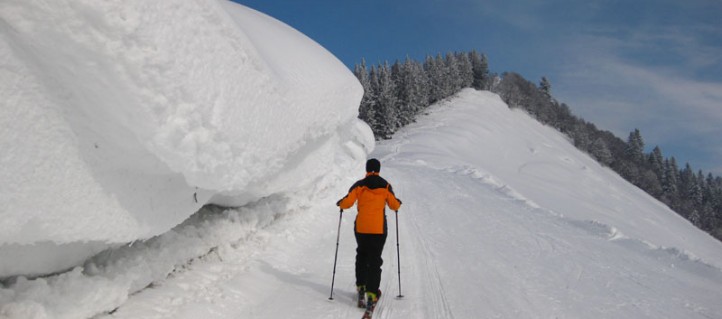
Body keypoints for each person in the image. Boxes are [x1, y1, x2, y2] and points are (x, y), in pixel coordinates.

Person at [336, 158, 402, 310]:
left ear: (367, 169)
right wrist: (398, 203)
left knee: (361, 255)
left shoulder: (359, 185)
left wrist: (340, 203)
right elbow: (394, 205)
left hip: (361, 228)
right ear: (378, 169)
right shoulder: (385, 185)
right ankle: (372, 294)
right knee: (375, 260)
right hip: (378, 230)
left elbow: (347, 203)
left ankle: (361, 288)